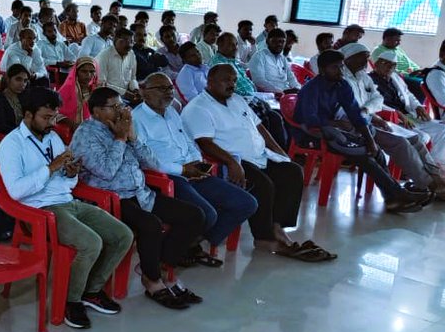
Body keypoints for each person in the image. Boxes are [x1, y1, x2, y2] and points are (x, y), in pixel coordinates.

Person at [0, 87, 131, 328]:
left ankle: (91, 291)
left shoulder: (52, 137)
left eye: (53, 117)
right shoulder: (11, 145)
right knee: (91, 243)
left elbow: (67, 180)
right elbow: (16, 191)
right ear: (28, 115)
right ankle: (71, 301)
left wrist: (70, 173)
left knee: (123, 235)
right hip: (39, 211)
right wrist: (51, 168)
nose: (51, 123)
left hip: (68, 202)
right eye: (45, 118)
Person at [71, 87, 205, 309]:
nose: (119, 111)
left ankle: (156, 267)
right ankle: (153, 282)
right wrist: (121, 139)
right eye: (112, 107)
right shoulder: (85, 134)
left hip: (140, 193)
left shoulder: (123, 127)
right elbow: (106, 171)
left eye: (120, 105)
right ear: (95, 111)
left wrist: (132, 137)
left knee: (194, 216)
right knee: (150, 225)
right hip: (110, 199)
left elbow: (152, 163)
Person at [184, 65, 335, 259]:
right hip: (231, 159)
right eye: (225, 80)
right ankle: (263, 237)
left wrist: (280, 153)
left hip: (259, 154)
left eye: (233, 80)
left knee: (292, 171)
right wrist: (231, 162)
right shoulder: (198, 107)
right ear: (210, 82)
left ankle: (276, 226)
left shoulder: (237, 100)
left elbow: (260, 127)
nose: (231, 84)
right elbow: (204, 142)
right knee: (263, 184)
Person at [132, 73, 257, 262]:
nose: (167, 93)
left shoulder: (172, 112)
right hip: (168, 178)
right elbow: (146, 162)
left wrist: (198, 163)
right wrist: (183, 170)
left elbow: (189, 141)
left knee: (246, 203)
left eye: (169, 88)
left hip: (193, 171)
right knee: (208, 214)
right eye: (160, 88)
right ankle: (172, 254)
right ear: (144, 92)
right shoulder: (136, 119)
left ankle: (192, 244)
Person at [339, 43, 445, 198]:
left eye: (366, 58)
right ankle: (428, 184)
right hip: (359, 123)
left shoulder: (362, 77)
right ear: (348, 59)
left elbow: (376, 99)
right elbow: (351, 108)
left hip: (371, 118)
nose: (365, 63)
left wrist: (370, 111)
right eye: (362, 58)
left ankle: (437, 178)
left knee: (414, 138)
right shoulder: (344, 79)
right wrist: (373, 114)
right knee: (401, 142)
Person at [372, 49, 445, 162]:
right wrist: (397, 114)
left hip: (410, 116)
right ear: (376, 64)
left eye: (392, 65)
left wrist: (417, 106)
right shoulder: (368, 79)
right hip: (390, 119)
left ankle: (435, 163)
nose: (389, 67)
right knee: (422, 137)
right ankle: (409, 168)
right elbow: (374, 103)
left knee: (442, 130)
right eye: (385, 63)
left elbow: (408, 95)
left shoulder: (395, 78)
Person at [249, 29, 301, 94]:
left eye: (282, 42)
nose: (279, 44)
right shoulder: (259, 56)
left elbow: (291, 78)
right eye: (275, 41)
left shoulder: (283, 59)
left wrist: (298, 88)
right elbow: (259, 81)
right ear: (267, 41)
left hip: (286, 94)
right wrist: (282, 92)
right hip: (270, 95)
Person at [95, 28, 139, 102]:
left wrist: (135, 89)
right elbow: (101, 84)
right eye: (125, 41)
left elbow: (133, 78)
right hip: (108, 97)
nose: (129, 45)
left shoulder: (131, 54)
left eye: (131, 41)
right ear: (115, 40)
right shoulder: (104, 55)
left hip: (128, 96)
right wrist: (124, 93)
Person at [58, 56, 98, 128]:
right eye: (84, 71)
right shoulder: (68, 88)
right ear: (76, 72)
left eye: (92, 71)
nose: (88, 75)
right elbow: (54, 112)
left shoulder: (95, 89)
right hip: (69, 129)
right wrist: (72, 124)